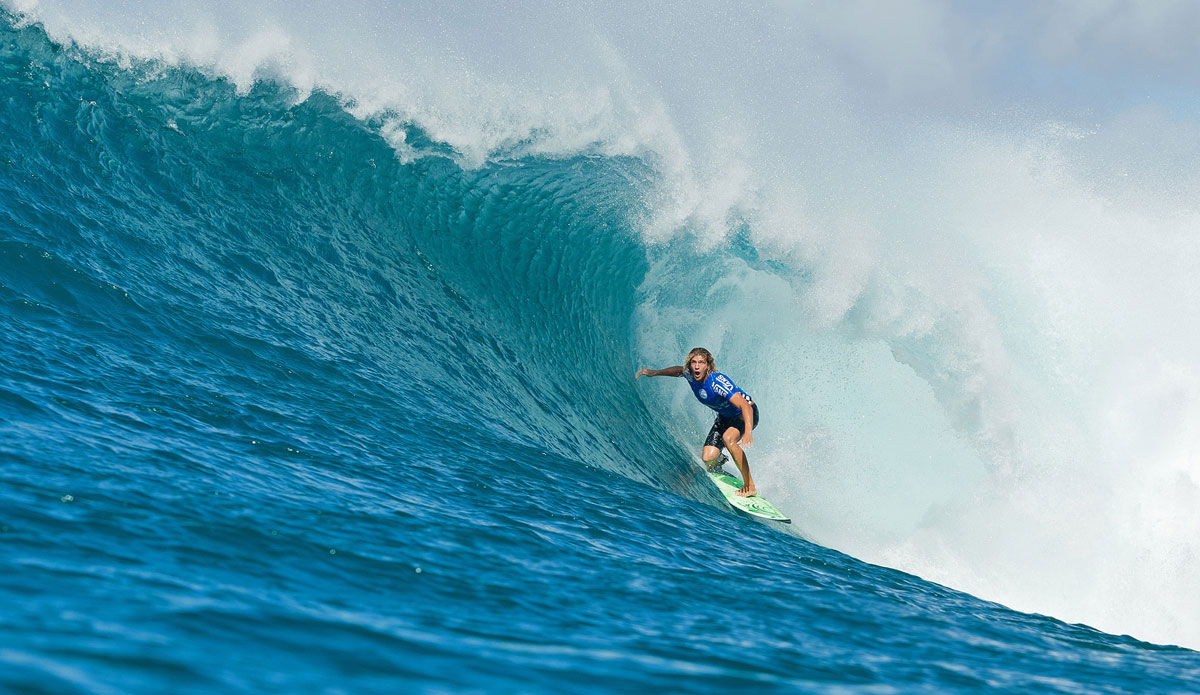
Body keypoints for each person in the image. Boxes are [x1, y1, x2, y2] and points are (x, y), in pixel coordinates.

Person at [635, 347, 760, 496]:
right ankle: (720, 459)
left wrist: (748, 430)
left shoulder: (717, 383)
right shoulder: (690, 375)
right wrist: (654, 372)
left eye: (701, 362)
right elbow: (678, 371)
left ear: (708, 365)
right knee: (708, 458)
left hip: (745, 414)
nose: (696, 366)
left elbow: (745, 405)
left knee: (728, 439)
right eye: (694, 362)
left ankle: (750, 486)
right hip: (725, 417)